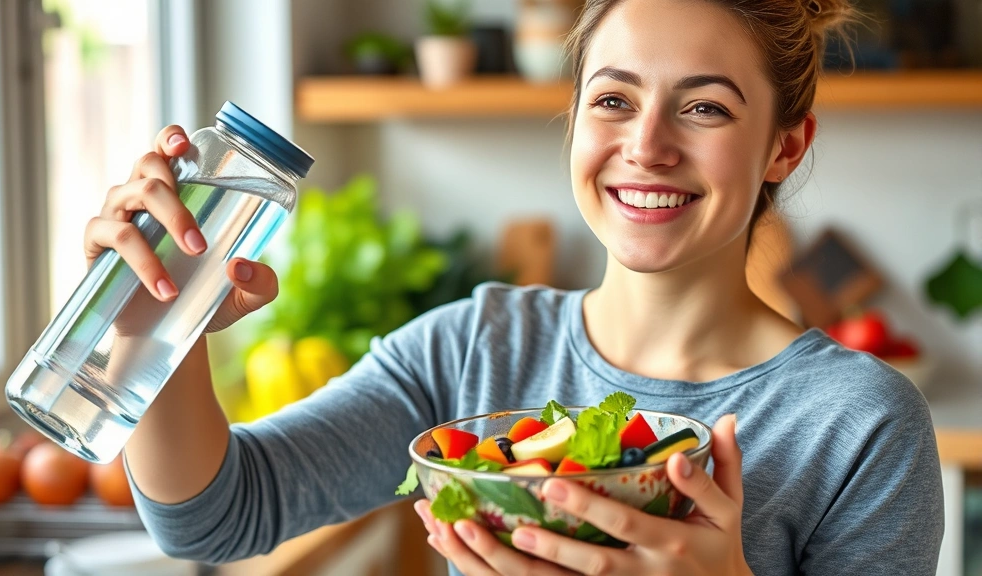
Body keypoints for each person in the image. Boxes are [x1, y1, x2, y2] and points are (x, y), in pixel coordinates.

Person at [86, 0, 944, 574]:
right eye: (613, 101)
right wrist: (156, 324)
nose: (647, 146)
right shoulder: (473, 351)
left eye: (705, 108)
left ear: (786, 146)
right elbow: (216, 515)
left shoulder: (859, 424)